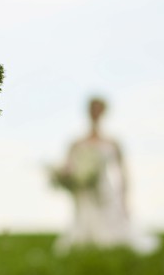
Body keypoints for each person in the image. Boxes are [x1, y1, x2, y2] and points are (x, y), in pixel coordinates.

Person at [50, 96, 158, 255]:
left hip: (105, 190)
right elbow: (67, 168)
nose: (95, 113)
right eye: (92, 109)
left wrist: (125, 198)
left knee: (112, 227)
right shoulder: (76, 143)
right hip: (84, 192)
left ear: (103, 113)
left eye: (98, 109)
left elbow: (122, 172)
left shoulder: (112, 142)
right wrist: (67, 178)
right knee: (84, 226)